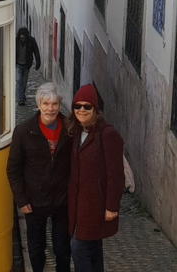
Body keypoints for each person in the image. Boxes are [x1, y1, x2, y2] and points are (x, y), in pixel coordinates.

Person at [7, 82, 72, 272]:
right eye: (46, 104)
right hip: (34, 202)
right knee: (36, 249)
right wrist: (21, 199)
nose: (50, 109)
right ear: (38, 105)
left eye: (54, 104)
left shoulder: (69, 130)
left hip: (62, 201)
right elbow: (13, 169)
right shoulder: (24, 131)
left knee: (62, 248)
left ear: (59, 106)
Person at [66, 84, 124, 272]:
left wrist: (112, 207)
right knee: (92, 250)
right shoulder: (76, 132)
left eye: (87, 106)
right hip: (78, 204)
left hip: (96, 205)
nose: (81, 110)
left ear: (95, 109)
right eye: (77, 106)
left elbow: (115, 174)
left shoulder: (107, 134)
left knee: (79, 249)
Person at [15, 27, 41, 105]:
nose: (22, 39)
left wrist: (38, 62)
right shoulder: (15, 41)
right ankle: (20, 99)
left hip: (27, 64)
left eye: (24, 38)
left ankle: (22, 95)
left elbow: (36, 51)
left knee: (24, 81)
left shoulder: (31, 41)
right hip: (18, 64)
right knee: (19, 80)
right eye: (21, 38)